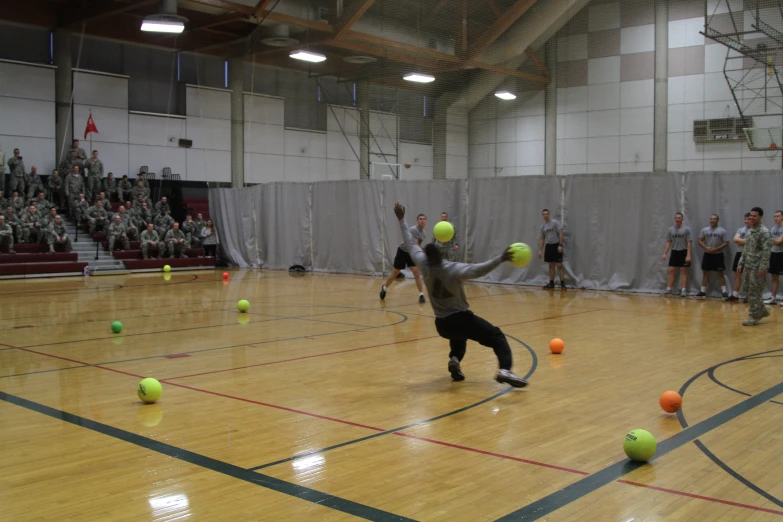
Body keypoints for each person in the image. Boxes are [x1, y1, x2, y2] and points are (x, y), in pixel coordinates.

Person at [393, 202, 528, 388]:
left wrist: (401, 218)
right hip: (460, 317)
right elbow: (479, 270)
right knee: (497, 336)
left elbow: (409, 242)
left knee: (459, 335)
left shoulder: (423, 265)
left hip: (441, 324)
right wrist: (501, 258)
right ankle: (505, 369)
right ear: (440, 256)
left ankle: (454, 360)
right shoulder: (452, 269)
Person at [379, 212, 428, 303]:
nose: (422, 221)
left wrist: (424, 249)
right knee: (395, 272)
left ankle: (421, 295)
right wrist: (425, 251)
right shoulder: (414, 229)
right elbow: (415, 244)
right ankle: (384, 287)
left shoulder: (423, 233)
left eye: (424, 219)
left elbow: (418, 245)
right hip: (403, 251)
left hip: (411, 253)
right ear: (417, 221)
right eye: (420, 219)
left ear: (426, 221)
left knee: (416, 273)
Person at [738, 207, 772, 326]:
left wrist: (763, 267)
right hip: (748, 265)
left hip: (757, 267)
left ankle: (753, 316)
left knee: (754, 291)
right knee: (746, 289)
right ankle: (761, 309)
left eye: (754, 216)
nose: (751, 218)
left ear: (760, 217)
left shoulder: (764, 232)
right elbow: (746, 248)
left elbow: (766, 252)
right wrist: (741, 262)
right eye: (750, 216)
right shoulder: (749, 231)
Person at [696, 214, 729, 299]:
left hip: (718, 255)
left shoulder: (722, 231)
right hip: (707, 254)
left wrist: (717, 249)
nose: (712, 220)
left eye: (714, 219)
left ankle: (724, 292)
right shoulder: (704, 230)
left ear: (717, 221)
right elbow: (699, 240)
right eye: (711, 219)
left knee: (720, 273)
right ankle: (703, 291)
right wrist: (706, 247)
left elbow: (726, 242)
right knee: (706, 273)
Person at [662, 212, 692, 297]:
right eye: (676, 218)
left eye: (679, 218)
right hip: (674, 252)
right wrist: (664, 253)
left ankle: (683, 290)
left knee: (683, 271)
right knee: (671, 270)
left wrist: (688, 255)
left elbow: (689, 243)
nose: (677, 219)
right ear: (674, 219)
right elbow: (668, 242)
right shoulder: (670, 229)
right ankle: (669, 289)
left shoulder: (687, 230)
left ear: (682, 219)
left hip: (683, 251)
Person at [538, 209, 566, 290]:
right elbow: (542, 239)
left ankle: (562, 284)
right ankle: (551, 283)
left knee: (559, 265)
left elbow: (560, 233)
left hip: (556, 245)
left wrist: (560, 245)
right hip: (549, 246)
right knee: (551, 265)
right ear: (542, 216)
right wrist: (540, 250)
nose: (545, 215)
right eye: (544, 214)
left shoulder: (555, 223)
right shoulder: (543, 227)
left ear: (549, 214)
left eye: (547, 214)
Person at [730, 213, 751, 302]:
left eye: (748, 219)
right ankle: (735, 294)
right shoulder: (740, 229)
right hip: (739, 253)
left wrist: (741, 240)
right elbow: (735, 240)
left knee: (749, 276)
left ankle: (748, 295)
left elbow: (753, 243)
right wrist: (747, 241)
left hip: (750, 254)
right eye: (745, 219)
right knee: (737, 274)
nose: (746, 221)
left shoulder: (755, 230)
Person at [765, 210, 783, 305]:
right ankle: (773, 298)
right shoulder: (773, 229)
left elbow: (780, 240)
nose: (776, 218)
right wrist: (774, 241)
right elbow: (769, 242)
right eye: (774, 216)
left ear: (782, 217)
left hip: (782, 254)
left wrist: (773, 240)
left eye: (778, 216)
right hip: (774, 254)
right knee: (774, 277)